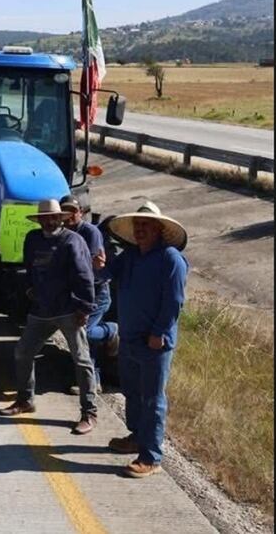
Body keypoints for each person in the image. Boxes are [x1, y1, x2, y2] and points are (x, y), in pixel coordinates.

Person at [104, 201, 189, 479]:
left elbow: (174, 301)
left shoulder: (170, 259)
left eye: (146, 225)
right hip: (128, 337)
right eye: (137, 225)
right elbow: (104, 274)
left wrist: (159, 332)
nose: (140, 230)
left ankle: (151, 456)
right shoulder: (129, 256)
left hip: (154, 342)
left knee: (152, 398)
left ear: (159, 229)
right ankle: (137, 437)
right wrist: (96, 263)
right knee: (131, 391)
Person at [0, 199, 98, 436]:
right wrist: (29, 289)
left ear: (61, 218)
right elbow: (29, 267)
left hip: (68, 311)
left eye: (53, 217)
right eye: (44, 217)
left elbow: (85, 275)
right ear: (39, 219)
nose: (49, 221)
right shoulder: (33, 239)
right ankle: (25, 400)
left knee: (82, 360)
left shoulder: (73, 241)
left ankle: (89, 412)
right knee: (23, 352)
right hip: (41, 310)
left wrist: (85, 308)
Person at [60, 195, 119, 393]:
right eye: (64, 211)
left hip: (97, 292)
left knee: (84, 332)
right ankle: (94, 381)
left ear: (81, 212)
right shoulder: (62, 232)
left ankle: (111, 331)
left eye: (73, 211)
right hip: (77, 293)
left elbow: (89, 265)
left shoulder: (90, 232)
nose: (68, 215)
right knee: (82, 334)